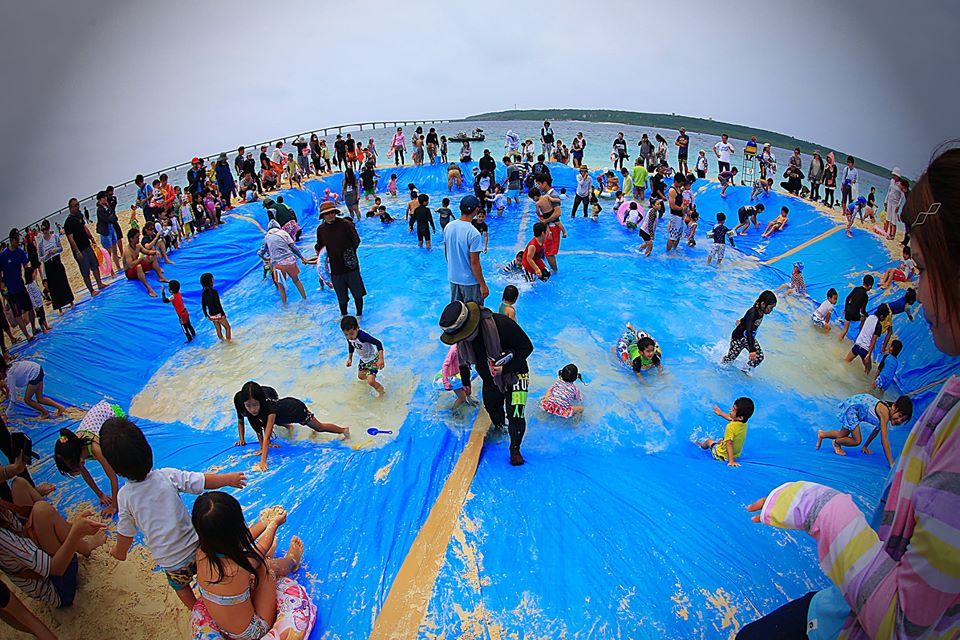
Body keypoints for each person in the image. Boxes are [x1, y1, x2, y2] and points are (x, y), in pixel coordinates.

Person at [742, 147, 960, 639]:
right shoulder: (942, 398)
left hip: (869, 612)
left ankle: (828, 436)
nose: (918, 291)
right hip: (856, 410)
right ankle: (829, 435)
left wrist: (822, 508)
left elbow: (907, 623)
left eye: (923, 269)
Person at [100, 417, 246, 608]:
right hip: (198, 546)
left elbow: (126, 532)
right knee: (213, 570)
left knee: (180, 586)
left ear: (115, 469)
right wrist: (227, 479)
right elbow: (200, 481)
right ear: (147, 450)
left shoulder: (125, 496)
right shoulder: (166, 476)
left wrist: (119, 552)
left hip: (171, 561)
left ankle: (196, 609)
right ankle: (220, 595)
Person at [191, 491, 312, 640]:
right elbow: (260, 550)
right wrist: (273, 525)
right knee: (265, 565)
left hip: (223, 626)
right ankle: (291, 562)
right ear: (237, 527)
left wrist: (264, 522)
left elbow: (239, 542)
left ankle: (275, 558)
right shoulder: (237, 568)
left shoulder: (201, 554)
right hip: (253, 631)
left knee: (256, 562)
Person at [439, 300, 533, 466]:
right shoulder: (463, 341)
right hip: (490, 378)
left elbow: (527, 347)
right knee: (491, 407)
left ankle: (515, 448)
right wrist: (466, 382)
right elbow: (462, 361)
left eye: (461, 336)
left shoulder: (502, 324)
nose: (459, 340)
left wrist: (505, 369)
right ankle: (499, 426)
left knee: (516, 414)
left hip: (517, 375)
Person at [234, 382, 349, 472]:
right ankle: (292, 427)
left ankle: (344, 430)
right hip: (283, 415)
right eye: (248, 406)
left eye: (255, 405)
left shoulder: (270, 411)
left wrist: (263, 461)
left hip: (295, 409)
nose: (252, 409)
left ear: (261, 402)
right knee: (269, 422)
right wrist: (261, 448)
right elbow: (258, 429)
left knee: (319, 427)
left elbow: (267, 435)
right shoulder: (251, 411)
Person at [54, 400, 123, 515]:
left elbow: (113, 478)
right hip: (96, 416)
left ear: (79, 459)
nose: (77, 471)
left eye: (74, 468)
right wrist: (100, 494)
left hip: (109, 414)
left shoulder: (95, 448)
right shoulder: (73, 448)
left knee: (118, 452)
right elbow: (84, 473)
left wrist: (114, 506)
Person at [815, 394, 913, 464]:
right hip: (853, 409)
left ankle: (822, 434)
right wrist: (891, 463)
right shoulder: (885, 413)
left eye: (902, 420)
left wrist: (865, 446)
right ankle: (836, 444)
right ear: (894, 406)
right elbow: (884, 440)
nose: (899, 420)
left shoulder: (885, 416)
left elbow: (875, 432)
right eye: (899, 415)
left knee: (842, 435)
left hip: (855, 408)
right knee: (857, 440)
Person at [315, 201, 366, 317]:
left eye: (333, 212)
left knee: (358, 294)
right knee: (341, 296)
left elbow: (356, 240)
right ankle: (344, 315)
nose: (331, 215)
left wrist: (349, 253)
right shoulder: (321, 230)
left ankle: (359, 315)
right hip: (336, 268)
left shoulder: (346, 224)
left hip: (351, 266)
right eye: (327, 213)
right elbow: (321, 245)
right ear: (323, 216)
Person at [443, 195, 488, 304]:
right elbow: (474, 262)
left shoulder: (449, 227)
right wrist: (483, 284)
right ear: (476, 210)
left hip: (453, 278)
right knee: (474, 315)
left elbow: (446, 253)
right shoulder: (474, 233)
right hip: (470, 282)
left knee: (457, 315)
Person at [721, 290, 777, 371]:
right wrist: (752, 350)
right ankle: (720, 363)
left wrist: (741, 321)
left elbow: (747, 319)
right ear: (763, 304)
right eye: (771, 308)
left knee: (759, 357)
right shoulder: (753, 313)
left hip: (748, 338)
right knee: (730, 359)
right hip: (739, 339)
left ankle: (745, 369)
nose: (771, 310)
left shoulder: (760, 310)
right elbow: (749, 331)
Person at [258, 220, 309, 305]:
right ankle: (305, 298)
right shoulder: (284, 233)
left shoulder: (267, 237)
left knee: (281, 286)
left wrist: (265, 258)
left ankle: (285, 305)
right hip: (290, 261)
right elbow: (294, 247)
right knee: (296, 281)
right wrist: (302, 258)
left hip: (278, 264)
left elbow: (261, 252)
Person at [63, 198, 107, 296]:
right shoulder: (68, 223)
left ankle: (99, 283)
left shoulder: (79, 216)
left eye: (78, 204)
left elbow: (84, 227)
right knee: (85, 271)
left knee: (95, 265)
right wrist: (77, 252)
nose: (78, 207)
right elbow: (71, 239)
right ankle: (91, 291)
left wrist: (91, 237)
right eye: (75, 205)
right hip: (80, 249)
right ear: (70, 208)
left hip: (87, 245)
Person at [0, 229, 39, 339]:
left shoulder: (20, 252)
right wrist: (2, 287)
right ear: (11, 240)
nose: (18, 241)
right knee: (17, 314)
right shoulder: (3, 256)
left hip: (20, 286)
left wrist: (31, 280)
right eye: (16, 239)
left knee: (30, 307)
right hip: (11, 290)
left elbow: (26, 266)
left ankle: (34, 328)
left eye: (19, 239)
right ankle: (27, 335)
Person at [695, 398, 755, 468]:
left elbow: (729, 444)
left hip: (722, 456)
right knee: (721, 441)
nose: (730, 410)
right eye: (732, 407)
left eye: (733, 410)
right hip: (735, 455)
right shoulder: (743, 424)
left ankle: (701, 445)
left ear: (740, 417)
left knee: (709, 441)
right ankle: (720, 445)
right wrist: (720, 413)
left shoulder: (730, 427)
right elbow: (731, 418)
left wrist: (731, 461)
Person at [1, 359, 66, 418]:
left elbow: (13, 398)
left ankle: (45, 413)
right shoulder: (11, 366)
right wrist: (5, 392)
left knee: (27, 400)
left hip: (35, 374)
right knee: (40, 399)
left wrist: (7, 415)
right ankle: (60, 407)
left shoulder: (10, 376)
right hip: (37, 368)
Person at [341, 315, 385, 397]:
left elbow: (378, 343)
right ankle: (371, 376)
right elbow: (351, 346)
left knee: (370, 381)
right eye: (346, 334)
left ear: (357, 328)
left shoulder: (363, 336)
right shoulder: (349, 337)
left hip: (373, 359)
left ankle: (382, 393)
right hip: (363, 360)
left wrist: (381, 359)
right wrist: (350, 358)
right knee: (361, 377)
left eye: (351, 333)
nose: (349, 337)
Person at [37, 219, 74, 314]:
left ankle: (70, 302)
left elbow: (61, 248)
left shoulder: (55, 237)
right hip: (49, 264)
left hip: (57, 261)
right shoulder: (41, 244)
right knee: (54, 287)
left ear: (49, 228)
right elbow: (41, 258)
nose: (45, 232)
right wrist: (47, 255)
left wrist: (55, 250)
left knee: (63, 281)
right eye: (43, 230)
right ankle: (59, 308)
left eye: (46, 229)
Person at [845, 304, 889, 375]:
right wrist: (869, 354)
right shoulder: (878, 326)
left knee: (846, 361)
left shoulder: (869, 317)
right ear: (882, 316)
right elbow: (873, 341)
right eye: (885, 317)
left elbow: (862, 328)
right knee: (868, 369)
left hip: (857, 345)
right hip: (864, 350)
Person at [122, 228, 168, 297]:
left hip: (136, 266)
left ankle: (161, 277)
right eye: (137, 237)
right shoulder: (127, 250)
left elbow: (147, 251)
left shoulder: (138, 246)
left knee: (152, 257)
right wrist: (141, 259)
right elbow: (130, 265)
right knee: (139, 267)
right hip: (130, 272)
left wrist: (155, 252)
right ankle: (149, 289)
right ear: (131, 239)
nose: (138, 238)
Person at [837, 274, 874, 342]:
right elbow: (863, 311)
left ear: (863, 282)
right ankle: (860, 334)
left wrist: (845, 309)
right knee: (863, 319)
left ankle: (838, 340)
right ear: (870, 286)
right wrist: (868, 316)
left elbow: (847, 298)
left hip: (848, 311)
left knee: (845, 330)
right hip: (855, 315)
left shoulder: (856, 289)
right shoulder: (865, 297)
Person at [201, 272, 231, 342]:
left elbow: (203, 305)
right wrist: (223, 314)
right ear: (211, 281)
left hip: (211, 315)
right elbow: (218, 304)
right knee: (227, 327)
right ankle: (229, 342)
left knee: (218, 328)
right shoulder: (214, 292)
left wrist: (206, 314)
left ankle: (222, 340)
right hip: (218, 314)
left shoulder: (203, 293)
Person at [884, 169, 905, 240]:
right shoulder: (892, 181)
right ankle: (885, 232)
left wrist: (898, 206)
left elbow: (902, 197)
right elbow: (889, 191)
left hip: (895, 203)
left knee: (894, 219)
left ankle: (892, 235)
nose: (893, 177)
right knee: (887, 217)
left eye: (895, 176)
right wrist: (885, 201)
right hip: (890, 200)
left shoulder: (900, 184)